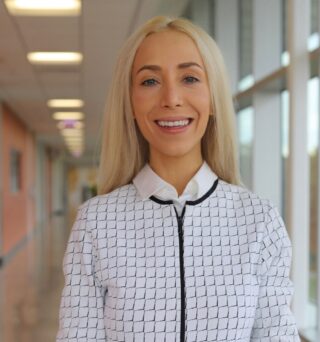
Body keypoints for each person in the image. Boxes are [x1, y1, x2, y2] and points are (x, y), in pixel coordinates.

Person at [57, 15, 300, 342]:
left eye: (189, 78)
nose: (171, 98)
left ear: (213, 98)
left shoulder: (259, 221)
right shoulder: (96, 223)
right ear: (129, 102)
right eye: (149, 81)